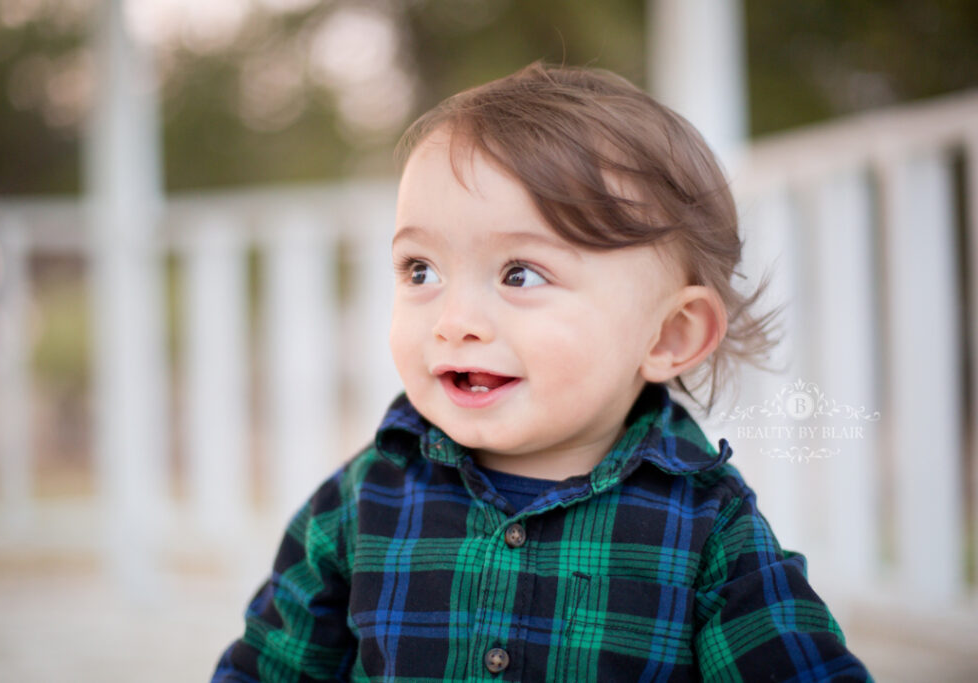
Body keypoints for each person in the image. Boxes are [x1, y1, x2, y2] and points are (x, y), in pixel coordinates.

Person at [212, 63, 871, 681]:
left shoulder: (707, 526)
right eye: (422, 270)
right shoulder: (365, 498)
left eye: (520, 273)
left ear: (670, 334)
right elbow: (267, 664)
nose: (453, 319)